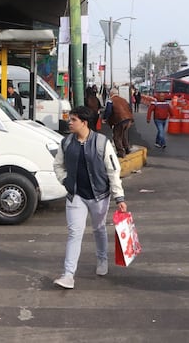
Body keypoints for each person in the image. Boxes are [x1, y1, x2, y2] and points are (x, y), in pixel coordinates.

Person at [52, 105, 127, 289]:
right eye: (70, 119)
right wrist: (66, 181)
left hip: (99, 195)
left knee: (99, 229)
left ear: (84, 123)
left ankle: (102, 259)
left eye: (73, 120)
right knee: (74, 233)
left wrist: (119, 198)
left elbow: (113, 170)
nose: (69, 122)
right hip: (76, 196)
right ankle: (68, 275)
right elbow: (57, 165)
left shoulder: (102, 143)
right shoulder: (66, 143)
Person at [103, 87, 135, 157]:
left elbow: (108, 111)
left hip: (120, 120)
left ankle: (121, 152)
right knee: (123, 134)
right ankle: (127, 149)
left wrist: (105, 118)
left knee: (116, 137)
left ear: (111, 93)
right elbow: (130, 108)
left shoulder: (110, 100)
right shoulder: (124, 100)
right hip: (128, 119)